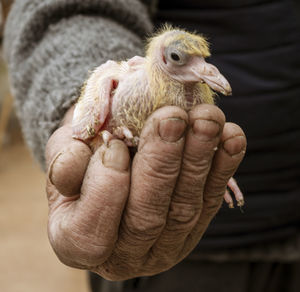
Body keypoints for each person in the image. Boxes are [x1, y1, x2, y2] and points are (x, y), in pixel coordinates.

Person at [3, 0, 300, 291]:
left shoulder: (195, 84)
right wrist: (85, 118)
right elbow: (66, 9)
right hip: (187, 247)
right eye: (180, 59)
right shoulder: (123, 80)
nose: (205, 70)